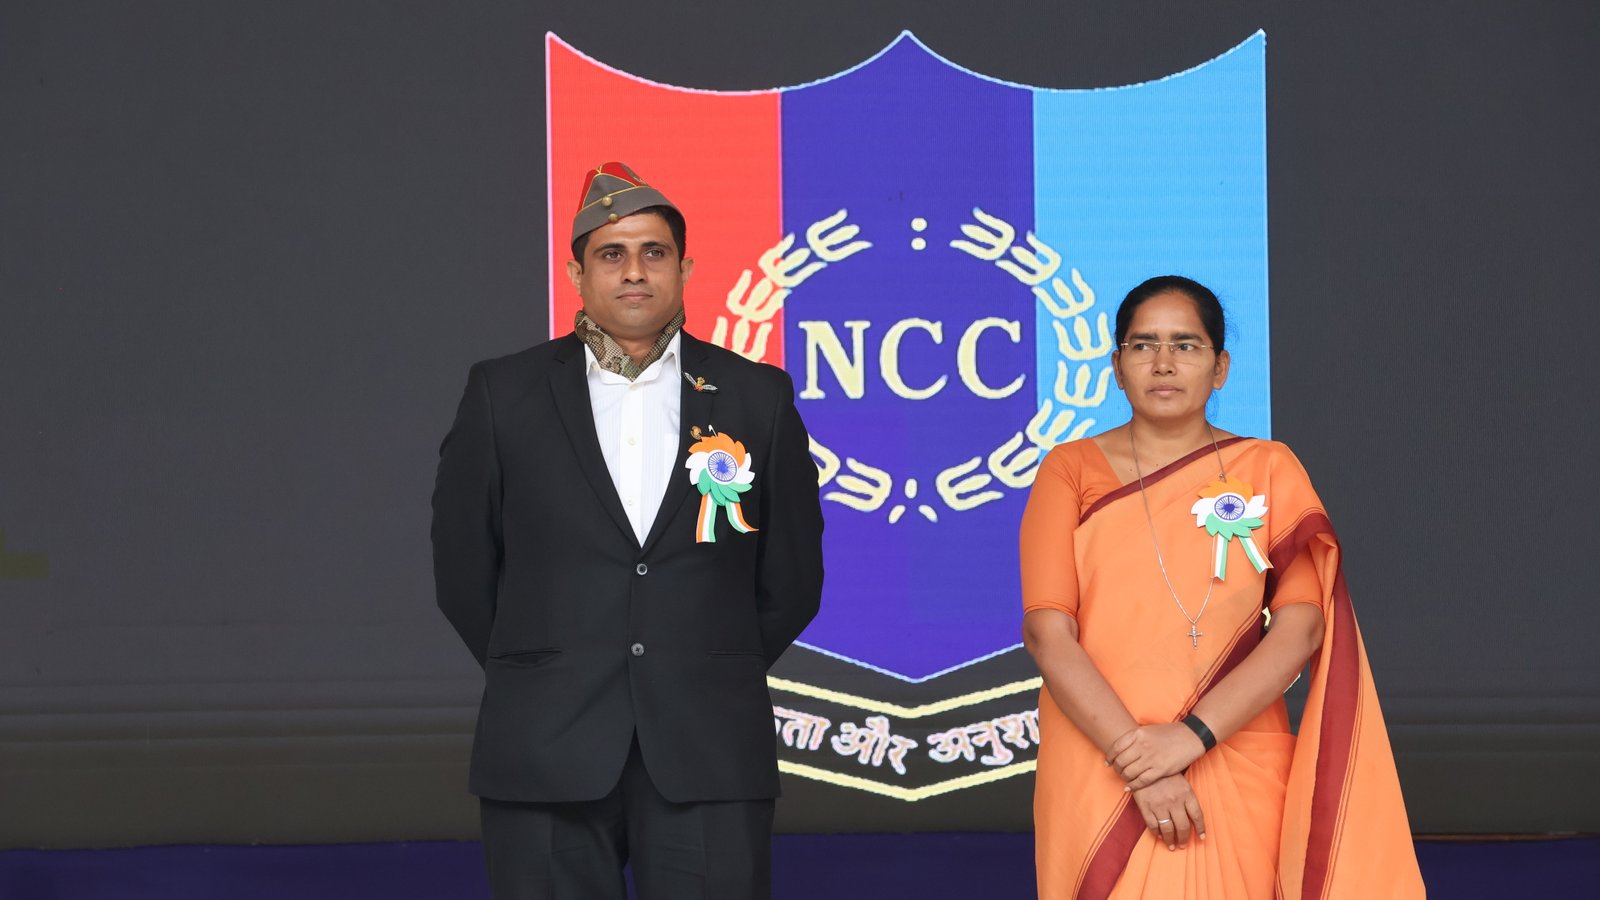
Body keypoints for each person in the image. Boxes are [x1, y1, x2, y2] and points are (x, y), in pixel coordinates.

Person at [432, 161, 824, 899]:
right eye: (612, 254)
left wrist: (700, 663)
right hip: (544, 743)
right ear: (576, 274)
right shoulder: (502, 393)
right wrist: (544, 666)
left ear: (685, 269)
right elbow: (462, 571)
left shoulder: (756, 395)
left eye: (654, 252)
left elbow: (793, 578)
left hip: (709, 743)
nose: (635, 271)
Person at [1020, 275, 1423, 899]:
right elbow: (1048, 632)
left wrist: (1191, 737)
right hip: (1100, 760)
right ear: (1117, 368)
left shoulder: (1269, 467)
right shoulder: (1069, 471)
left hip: (1234, 748)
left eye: (1186, 345)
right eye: (1142, 345)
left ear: (1221, 367)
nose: (1163, 363)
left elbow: (1302, 626)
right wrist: (1142, 764)